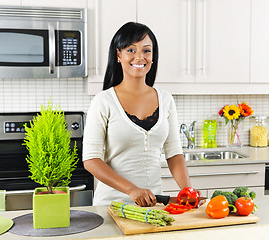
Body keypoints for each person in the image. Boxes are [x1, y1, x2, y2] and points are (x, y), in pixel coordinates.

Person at [82, 22, 194, 207]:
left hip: (154, 205)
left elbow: (174, 154)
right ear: (119, 55)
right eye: (131, 50)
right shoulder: (103, 101)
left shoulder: (166, 100)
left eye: (146, 51)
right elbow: (91, 160)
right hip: (112, 205)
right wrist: (131, 190)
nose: (140, 57)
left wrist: (187, 191)